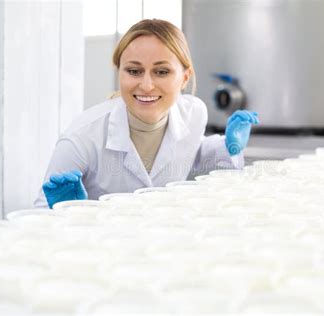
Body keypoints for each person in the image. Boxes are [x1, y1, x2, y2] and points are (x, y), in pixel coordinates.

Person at [34, 19, 259, 209]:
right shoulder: (83, 137)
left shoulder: (193, 113)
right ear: (119, 73)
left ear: (185, 77)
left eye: (162, 72)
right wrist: (65, 212)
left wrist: (226, 148)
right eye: (134, 71)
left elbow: (191, 153)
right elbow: (38, 216)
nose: (147, 85)